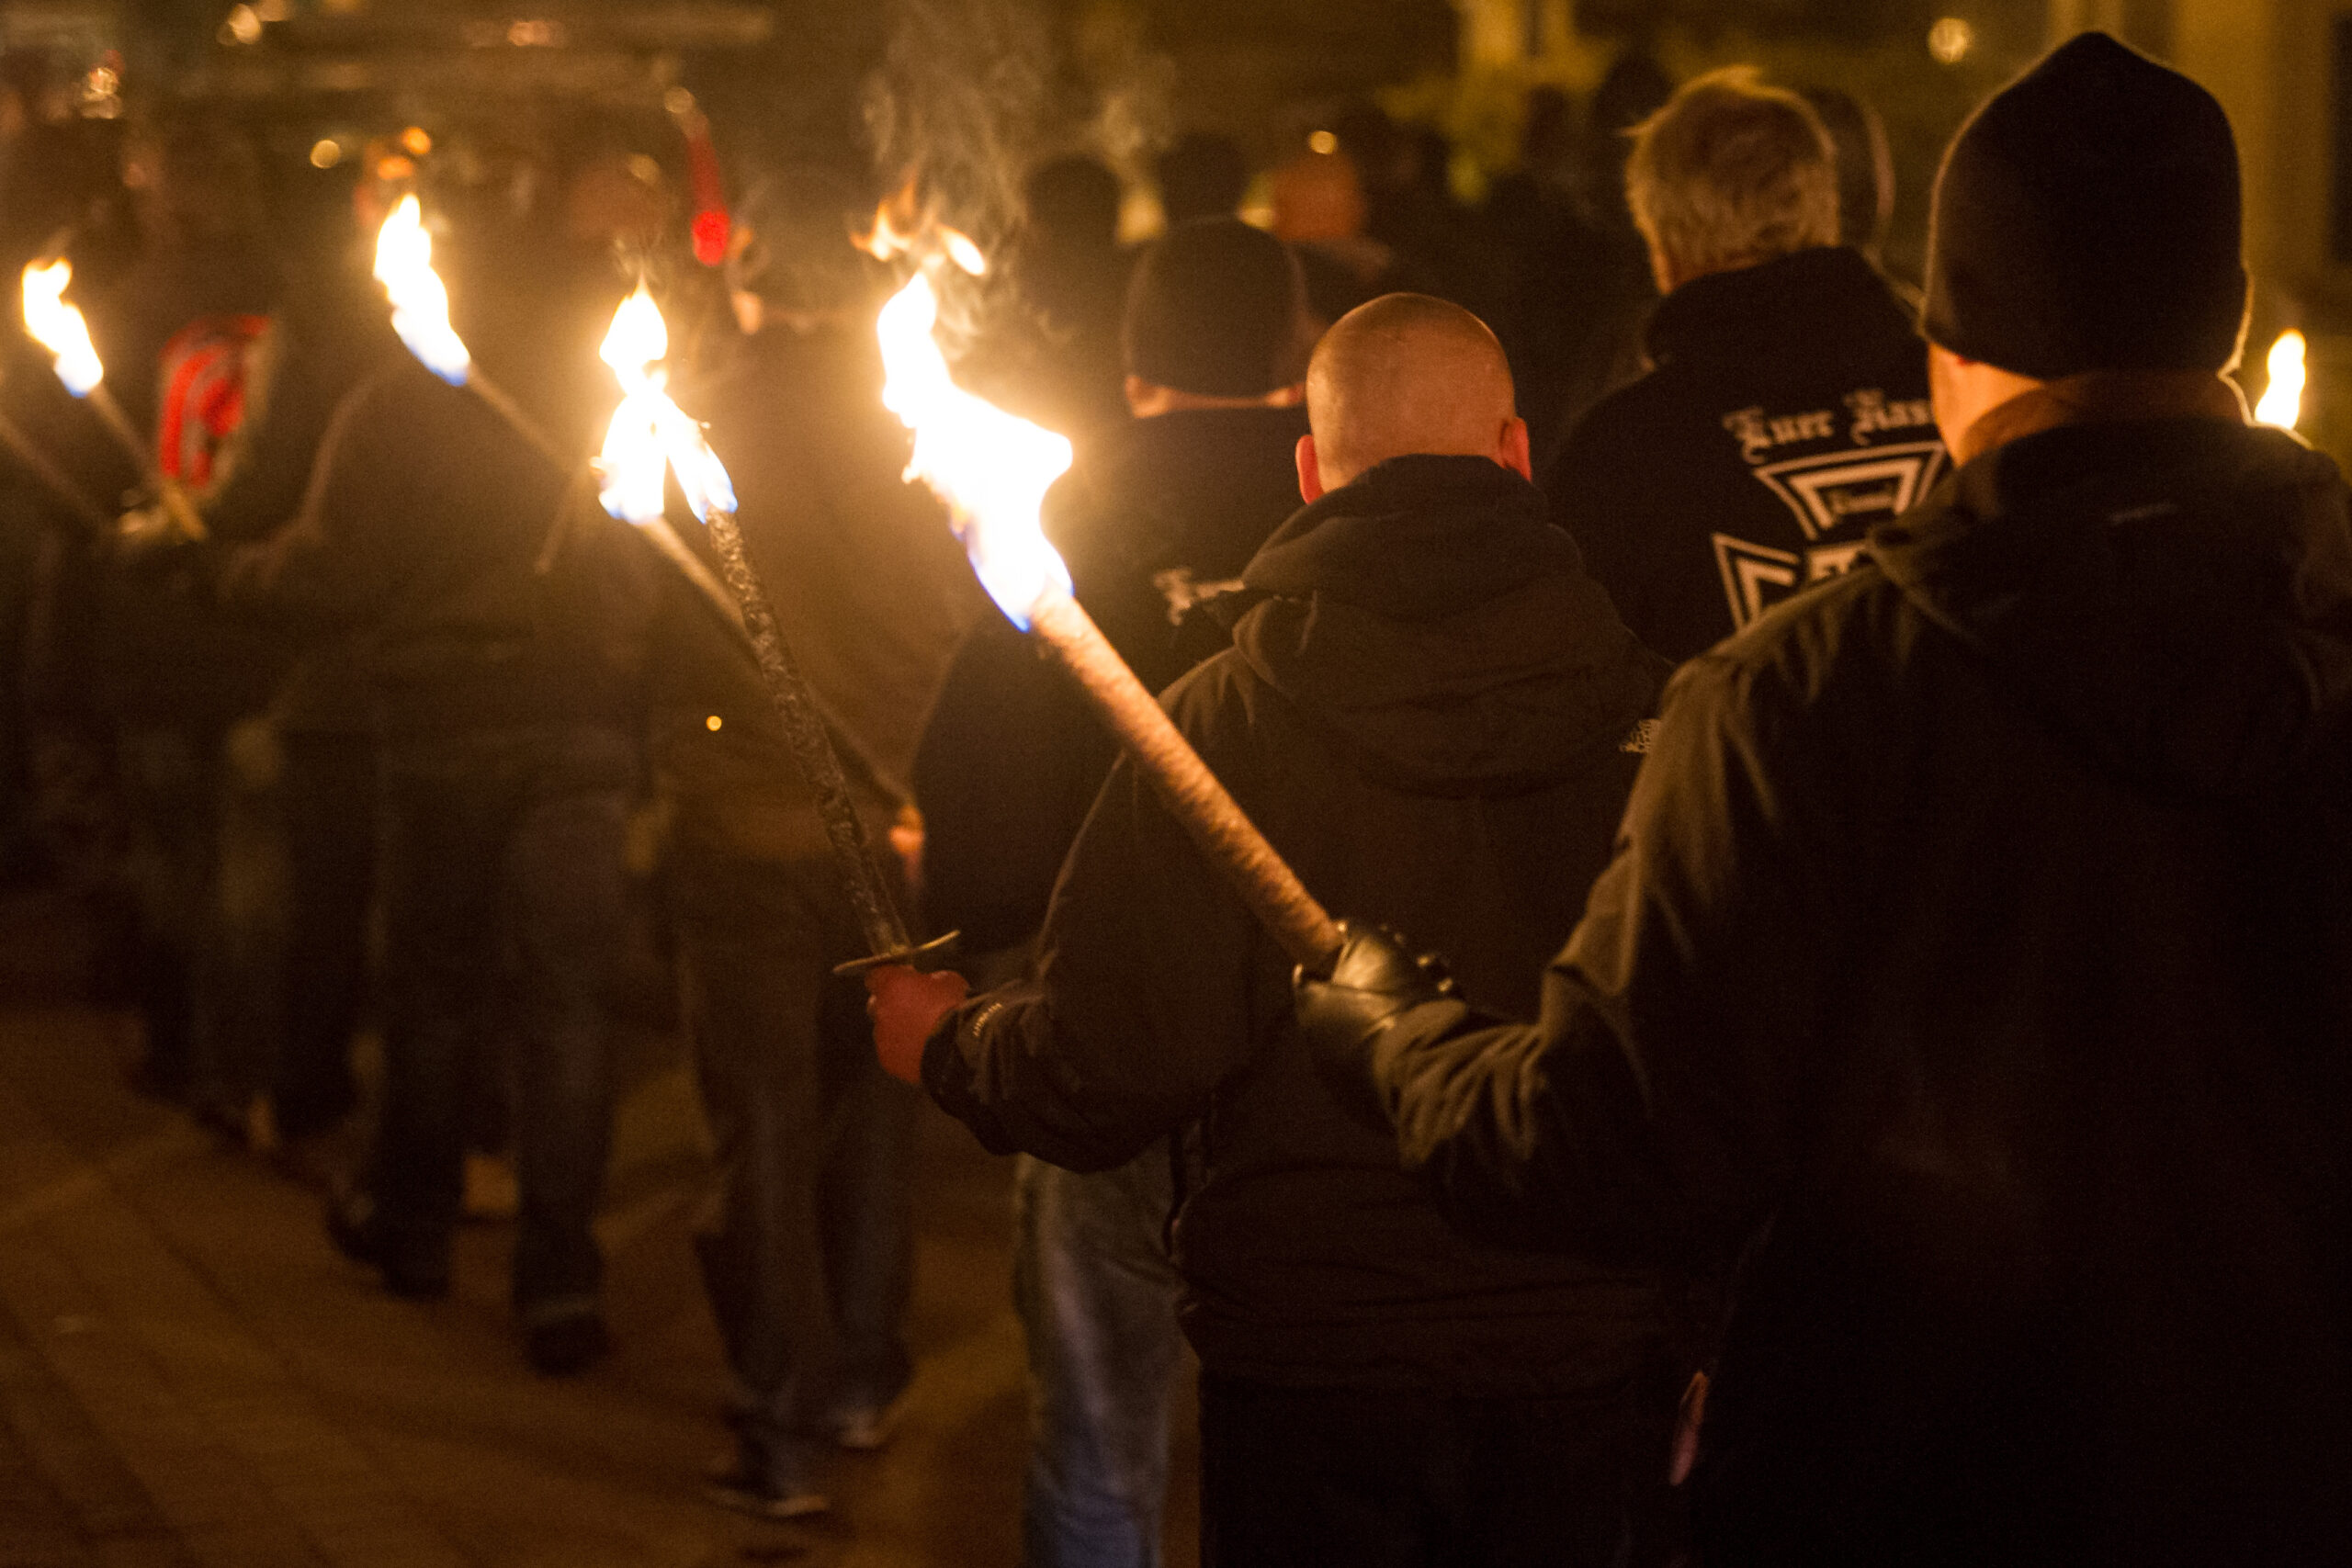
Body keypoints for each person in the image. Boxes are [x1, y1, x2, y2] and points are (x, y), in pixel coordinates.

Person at [1295, 35, 2352, 1568]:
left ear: (1949, 343)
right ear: (2237, 328)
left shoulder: (1806, 702)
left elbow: (1622, 1143)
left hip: (1899, 1479)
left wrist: (1408, 1054)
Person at [879, 294, 1679, 1566]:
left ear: (1309, 470)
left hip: (1323, 1359)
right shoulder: (1668, 713)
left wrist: (951, 1047)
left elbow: (1116, 1054)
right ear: (1518, 451)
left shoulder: (1229, 724)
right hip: (1580, 1346)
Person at [914, 216, 1313, 1568]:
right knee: (1308, 1421)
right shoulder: (1339, 497)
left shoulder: (1071, 507)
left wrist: (972, 922)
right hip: (1314, 1045)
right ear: (1292, 347)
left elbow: (981, 765)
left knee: (1099, 1420)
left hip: (1100, 1014)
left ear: (1136, 353)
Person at [217, 171, 649, 1377]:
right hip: (576, 730)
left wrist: (221, 573)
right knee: (564, 1008)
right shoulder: (599, 404)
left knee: (436, 986)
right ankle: (555, 1277)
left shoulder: (396, 411)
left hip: (451, 726)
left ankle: (416, 1229)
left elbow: (330, 573)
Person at [656, 167, 980, 1520]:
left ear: (752, 284)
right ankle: (858, 1370)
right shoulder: (931, 432)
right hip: (898, 822)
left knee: (765, 1120)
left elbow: (636, 615)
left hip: (746, 818)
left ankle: (781, 1412)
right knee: (872, 1108)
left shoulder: (701, 419)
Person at [1544, 67, 1940, 663]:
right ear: (1824, 211)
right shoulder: (1964, 393)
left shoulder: (1619, 459)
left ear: (1663, 248)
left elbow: (1581, 703)